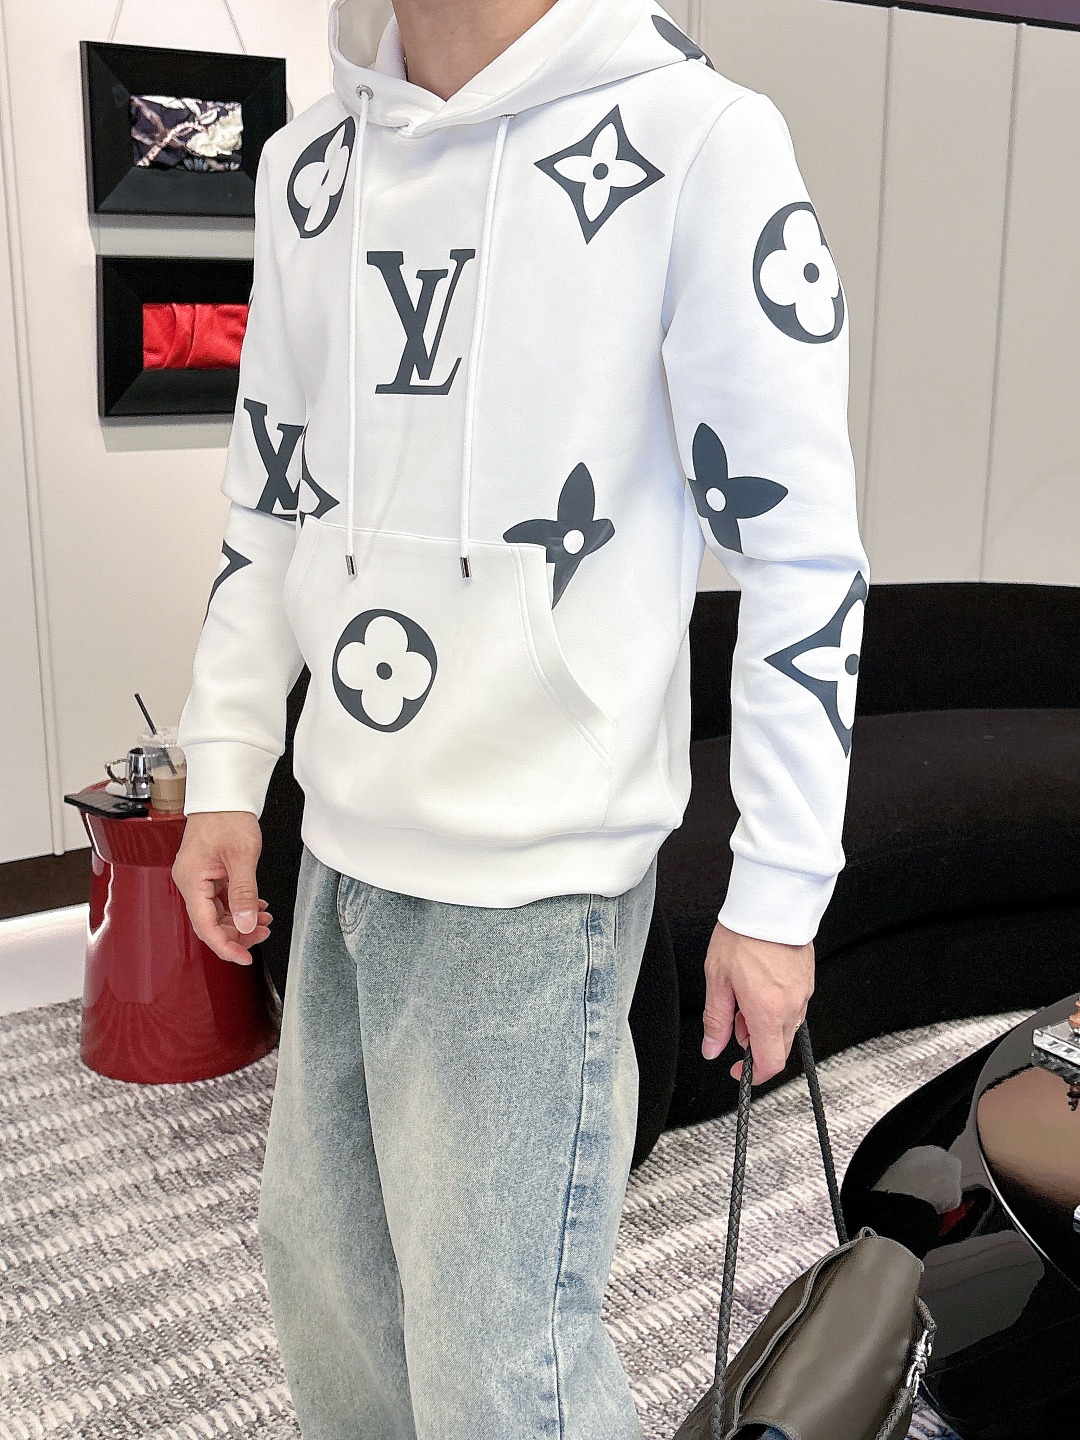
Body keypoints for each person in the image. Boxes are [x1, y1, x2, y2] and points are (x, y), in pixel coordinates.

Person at [171, 0, 869, 1435]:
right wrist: (228, 761)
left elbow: (800, 549)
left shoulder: (698, 141)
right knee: (330, 1298)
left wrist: (782, 890)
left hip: (538, 883)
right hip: (341, 845)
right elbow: (272, 490)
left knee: (502, 1371)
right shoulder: (310, 165)